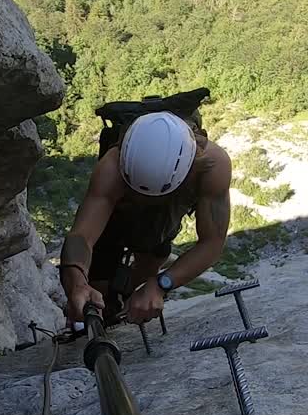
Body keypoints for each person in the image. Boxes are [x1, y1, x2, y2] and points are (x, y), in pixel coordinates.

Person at [58, 110, 232, 327]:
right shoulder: (112, 168)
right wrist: (77, 281)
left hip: (164, 220)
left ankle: (128, 301)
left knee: (151, 258)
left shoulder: (214, 166)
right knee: (99, 283)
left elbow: (212, 243)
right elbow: (83, 235)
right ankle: (103, 309)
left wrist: (160, 285)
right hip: (117, 214)